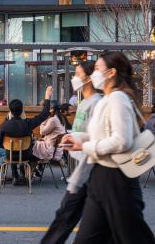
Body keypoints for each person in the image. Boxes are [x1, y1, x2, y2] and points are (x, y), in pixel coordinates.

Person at [61, 51, 155, 244]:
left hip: (116, 179)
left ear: (111, 72)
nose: (93, 73)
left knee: (132, 238)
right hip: (101, 177)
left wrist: (85, 145)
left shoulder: (117, 99)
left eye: (97, 68)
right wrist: (78, 138)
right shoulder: (108, 98)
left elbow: (122, 141)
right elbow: (103, 135)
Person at [40, 61, 102, 244]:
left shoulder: (97, 104)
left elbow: (99, 138)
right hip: (82, 170)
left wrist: (79, 141)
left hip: (91, 171)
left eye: (77, 73)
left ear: (89, 78)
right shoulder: (82, 104)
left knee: (66, 217)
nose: (74, 78)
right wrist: (71, 138)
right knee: (68, 218)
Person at [0, 86, 53, 185]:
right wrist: (47, 97)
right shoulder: (28, 123)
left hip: (10, 156)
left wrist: (7, 146)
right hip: (26, 155)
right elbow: (44, 115)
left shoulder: (4, 125)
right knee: (32, 154)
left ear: (10, 110)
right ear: (22, 110)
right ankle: (24, 176)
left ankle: (15, 176)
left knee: (11, 151)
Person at [32, 103, 66, 169]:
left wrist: (43, 120)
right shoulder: (61, 118)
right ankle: (37, 169)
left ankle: (33, 171)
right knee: (35, 143)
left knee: (31, 147)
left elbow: (42, 132)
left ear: (53, 110)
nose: (49, 111)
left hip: (49, 150)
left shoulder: (53, 120)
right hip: (57, 150)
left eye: (50, 109)